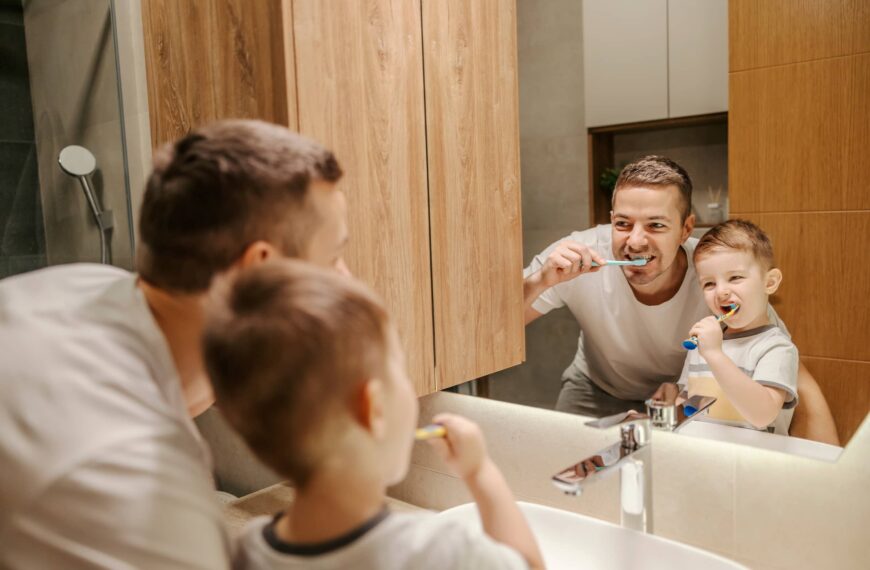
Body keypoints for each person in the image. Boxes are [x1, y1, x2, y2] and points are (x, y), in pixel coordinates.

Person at [0, 120, 349, 568]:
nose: (346, 282)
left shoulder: (82, 288)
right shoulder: (134, 474)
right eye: (334, 257)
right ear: (260, 274)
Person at [202, 260, 544, 570]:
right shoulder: (440, 553)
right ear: (374, 408)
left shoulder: (247, 550)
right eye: (399, 368)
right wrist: (480, 473)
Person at [522, 156, 835, 441]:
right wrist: (540, 281)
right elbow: (496, 332)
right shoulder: (575, 256)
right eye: (623, 223)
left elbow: (794, 374)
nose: (635, 241)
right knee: (569, 469)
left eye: (656, 225)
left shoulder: (716, 273)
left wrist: (830, 476)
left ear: (686, 229)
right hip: (596, 387)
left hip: (680, 400)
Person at [667, 220, 798, 434]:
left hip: (755, 462)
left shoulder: (776, 348)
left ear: (770, 282)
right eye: (709, 283)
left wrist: (715, 355)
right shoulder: (705, 342)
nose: (721, 292)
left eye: (735, 277)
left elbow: (762, 415)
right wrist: (664, 420)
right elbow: (688, 402)